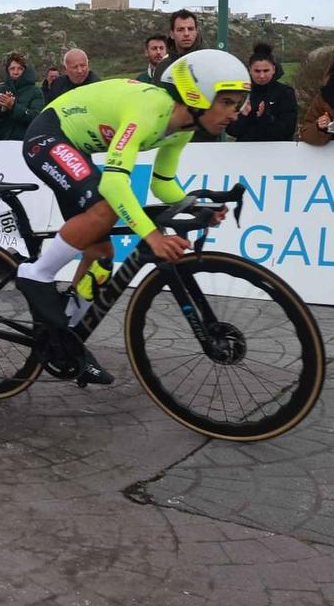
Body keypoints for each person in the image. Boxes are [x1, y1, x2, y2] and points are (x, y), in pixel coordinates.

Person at [15, 51, 252, 384]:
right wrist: (153, 237)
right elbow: (114, 181)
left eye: (238, 103)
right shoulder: (150, 109)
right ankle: (35, 274)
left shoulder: (183, 126)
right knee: (107, 206)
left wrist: (195, 206)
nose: (234, 113)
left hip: (76, 147)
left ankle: (65, 339)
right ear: (197, 95)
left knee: (101, 256)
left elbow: (163, 182)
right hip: (48, 136)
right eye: (226, 102)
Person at [228, 42, 298, 142]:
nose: (262, 76)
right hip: (245, 152)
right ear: (250, 70)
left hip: (278, 152)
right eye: (257, 71)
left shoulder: (285, 93)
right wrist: (246, 116)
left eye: (266, 71)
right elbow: (232, 130)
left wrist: (265, 117)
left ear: (273, 69)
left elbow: (287, 131)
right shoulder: (242, 93)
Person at [0, 52, 41, 143]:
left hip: (25, 142)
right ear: (8, 71)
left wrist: (13, 107)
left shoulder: (35, 91)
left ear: (25, 71)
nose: (15, 72)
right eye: (12, 69)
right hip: (1, 142)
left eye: (20, 69)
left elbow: (37, 117)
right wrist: (1, 110)